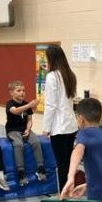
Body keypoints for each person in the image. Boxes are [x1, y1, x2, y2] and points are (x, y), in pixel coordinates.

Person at [42, 44, 78, 191]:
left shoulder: (52, 77)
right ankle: (69, 190)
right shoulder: (70, 74)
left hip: (59, 127)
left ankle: (64, 194)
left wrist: (46, 128)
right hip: (71, 125)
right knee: (69, 162)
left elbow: (51, 105)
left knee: (62, 163)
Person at [5, 81, 46, 186]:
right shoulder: (9, 103)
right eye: (19, 91)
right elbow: (16, 111)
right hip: (13, 130)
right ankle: (21, 172)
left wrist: (28, 129)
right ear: (11, 93)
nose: (22, 92)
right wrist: (29, 105)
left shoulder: (26, 104)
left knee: (36, 141)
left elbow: (29, 120)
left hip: (24, 129)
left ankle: (40, 168)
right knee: (18, 145)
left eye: (23, 90)